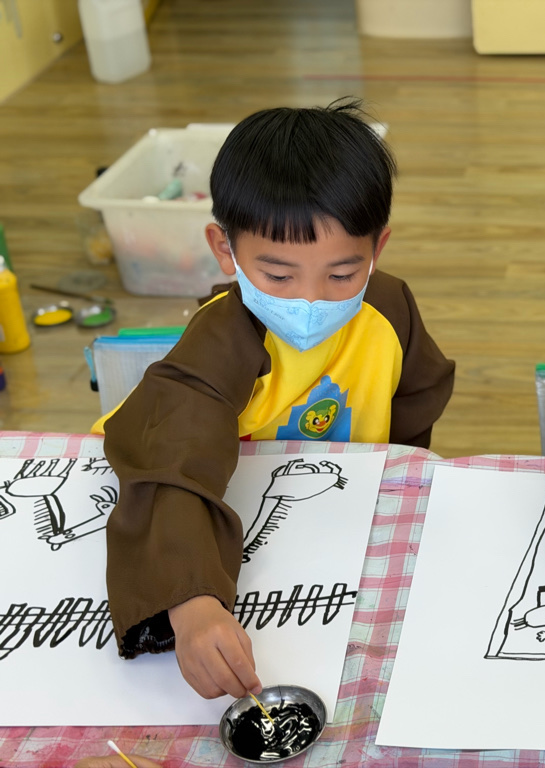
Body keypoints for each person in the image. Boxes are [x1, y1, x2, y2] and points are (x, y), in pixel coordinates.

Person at [95, 101, 455, 700]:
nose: (311, 300)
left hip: (329, 531)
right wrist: (191, 601)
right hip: (193, 521)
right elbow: (170, 462)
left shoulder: (391, 311)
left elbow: (416, 403)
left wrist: (396, 486)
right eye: (279, 277)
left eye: (342, 274)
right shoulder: (222, 340)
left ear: (377, 248)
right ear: (225, 249)